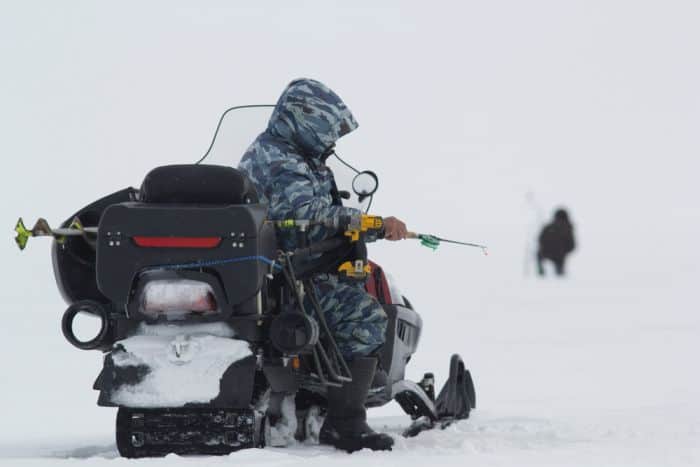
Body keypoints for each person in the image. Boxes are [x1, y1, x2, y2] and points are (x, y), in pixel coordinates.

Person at [238, 78, 407, 452]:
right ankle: (345, 425)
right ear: (304, 119)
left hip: (288, 267)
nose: (331, 140)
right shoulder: (279, 159)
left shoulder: (289, 155)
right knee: (364, 316)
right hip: (289, 275)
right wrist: (370, 223)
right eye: (327, 129)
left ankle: (315, 395)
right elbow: (303, 214)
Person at [537, 208, 575, 277]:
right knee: (560, 274)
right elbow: (572, 245)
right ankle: (559, 278)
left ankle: (541, 274)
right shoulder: (568, 228)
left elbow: (540, 239)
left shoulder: (548, 227)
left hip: (546, 252)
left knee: (539, 255)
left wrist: (545, 248)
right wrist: (564, 251)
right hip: (560, 256)